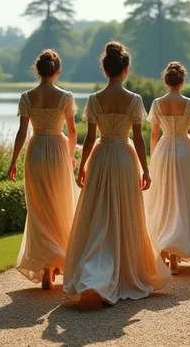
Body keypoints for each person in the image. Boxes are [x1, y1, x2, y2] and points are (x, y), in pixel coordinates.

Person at [63, 41, 171, 305]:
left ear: (106, 70)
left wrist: (83, 164)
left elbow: (89, 139)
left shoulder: (94, 99)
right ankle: (119, 272)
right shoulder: (134, 100)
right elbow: (139, 138)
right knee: (124, 214)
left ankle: (94, 275)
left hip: (101, 158)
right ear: (126, 69)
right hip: (124, 157)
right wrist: (145, 168)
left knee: (99, 214)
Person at [9, 49, 78, 289]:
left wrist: (13, 161)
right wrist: (70, 156)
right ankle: (56, 260)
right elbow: (72, 131)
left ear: (38, 71)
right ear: (57, 71)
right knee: (60, 203)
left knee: (39, 208)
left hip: (36, 148)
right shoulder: (66, 97)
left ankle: (46, 264)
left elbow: (21, 133)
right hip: (58, 150)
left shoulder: (27, 97)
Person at [144, 62, 190, 275]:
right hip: (184, 151)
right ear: (182, 81)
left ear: (166, 81)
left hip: (164, 149)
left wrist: (153, 156)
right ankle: (176, 256)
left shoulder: (158, 103)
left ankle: (164, 249)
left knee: (164, 198)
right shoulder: (189, 103)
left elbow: (153, 134)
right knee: (182, 198)